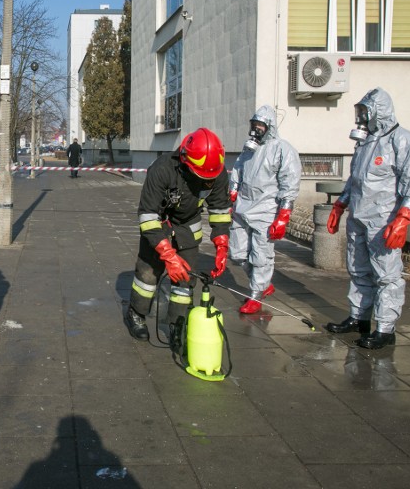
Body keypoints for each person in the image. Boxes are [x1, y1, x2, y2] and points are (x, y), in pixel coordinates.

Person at [325, 88, 410, 349]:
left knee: (386, 275)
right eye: (359, 111)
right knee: (358, 270)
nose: (360, 117)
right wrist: (340, 204)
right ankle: (359, 317)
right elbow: (355, 178)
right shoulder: (365, 142)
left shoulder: (404, 140)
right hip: (359, 216)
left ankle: (385, 328)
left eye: (364, 112)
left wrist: (404, 216)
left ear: (378, 112)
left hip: (383, 221)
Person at [125, 128, 232, 350]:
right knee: (147, 274)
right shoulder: (162, 169)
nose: (205, 181)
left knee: (185, 281)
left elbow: (220, 209)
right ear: (185, 161)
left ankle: (178, 324)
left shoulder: (216, 171)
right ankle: (136, 313)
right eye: (200, 176)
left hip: (188, 228)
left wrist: (222, 244)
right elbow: (147, 216)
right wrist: (167, 255)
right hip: (158, 226)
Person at [228, 105, 301, 314]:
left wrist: (283, 216)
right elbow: (238, 169)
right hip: (243, 207)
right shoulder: (249, 148)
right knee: (238, 253)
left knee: (261, 256)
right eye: (254, 124)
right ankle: (262, 284)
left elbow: (290, 182)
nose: (256, 129)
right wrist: (233, 191)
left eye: (260, 125)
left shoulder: (282, 149)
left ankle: (256, 294)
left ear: (269, 127)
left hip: (266, 210)